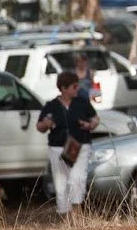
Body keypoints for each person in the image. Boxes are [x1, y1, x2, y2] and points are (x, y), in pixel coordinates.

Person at [36, 71, 99, 221]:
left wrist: (90, 124)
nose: (77, 89)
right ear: (64, 88)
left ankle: (77, 214)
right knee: (61, 183)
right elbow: (39, 126)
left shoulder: (82, 103)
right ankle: (66, 218)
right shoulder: (51, 106)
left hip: (80, 145)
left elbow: (95, 118)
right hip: (58, 148)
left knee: (77, 178)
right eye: (74, 86)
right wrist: (46, 124)